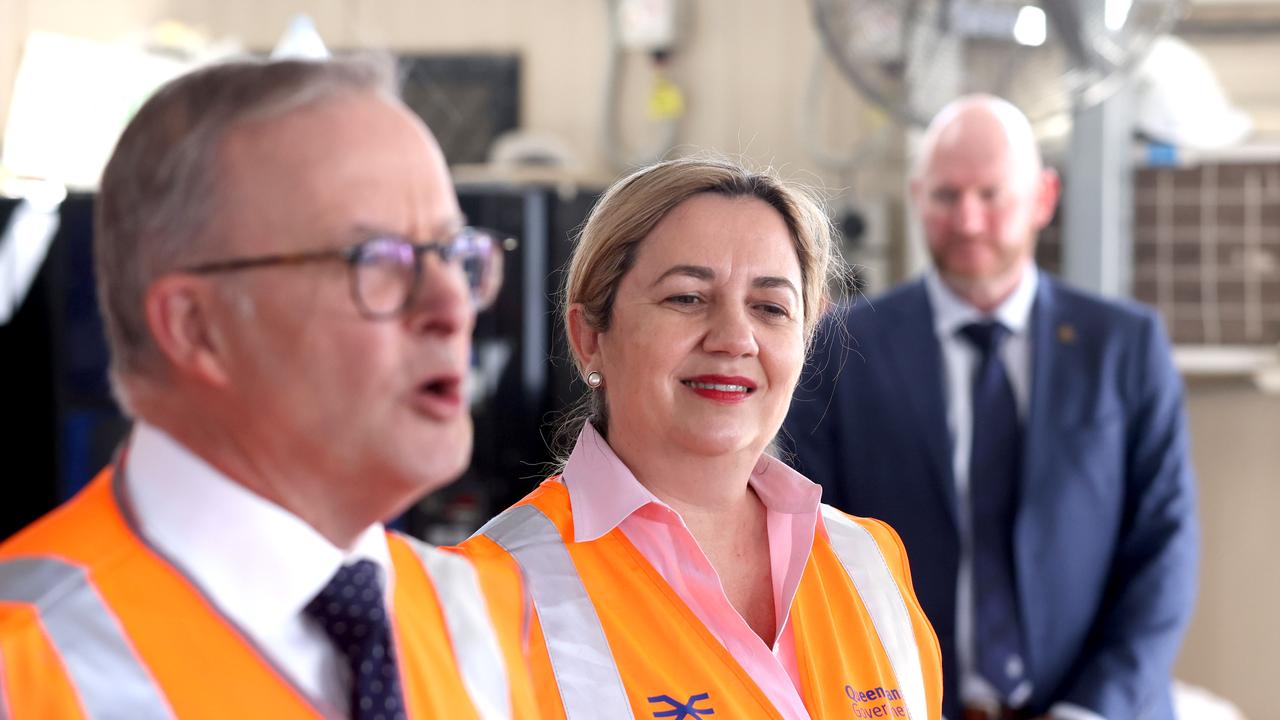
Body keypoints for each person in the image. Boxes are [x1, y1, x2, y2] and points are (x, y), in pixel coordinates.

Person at [0, 56, 538, 718]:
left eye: (457, 256)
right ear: (197, 328)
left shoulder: (473, 612)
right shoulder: (22, 664)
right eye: (377, 261)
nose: (453, 307)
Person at [458, 157, 943, 720]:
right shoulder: (490, 594)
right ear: (590, 337)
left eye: (770, 307)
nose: (736, 338)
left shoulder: (871, 562)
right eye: (686, 297)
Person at [783, 95, 1199, 720]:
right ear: (918, 196)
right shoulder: (840, 348)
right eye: (947, 196)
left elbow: (1163, 549)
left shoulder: (1124, 348)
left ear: (1043, 198)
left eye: (992, 194)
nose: (969, 220)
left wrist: (1092, 709)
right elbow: (806, 547)